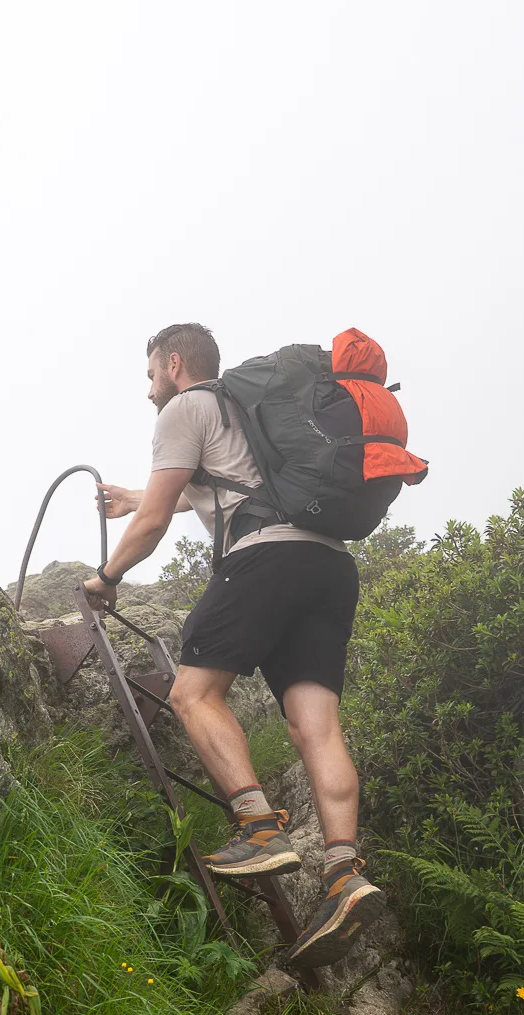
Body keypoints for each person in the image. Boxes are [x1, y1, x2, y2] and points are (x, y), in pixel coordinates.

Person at [82, 322, 384, 969]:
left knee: (193, 693)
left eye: (149, 376)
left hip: (265, 561)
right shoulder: (252, 417)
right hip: (329, 567)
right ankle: (342, 873)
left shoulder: (186, 408)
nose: (148, 392)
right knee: (317, 728)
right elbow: (217, 489)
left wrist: (107, 579)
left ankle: (256, 826)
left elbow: (160, 518)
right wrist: (134, 498)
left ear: (173, 362)